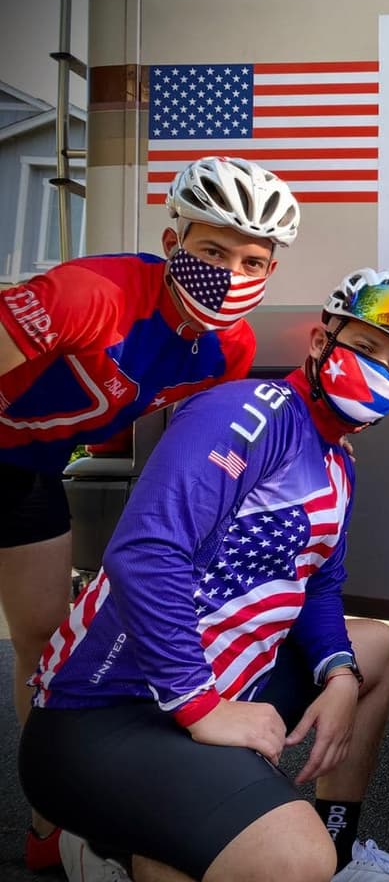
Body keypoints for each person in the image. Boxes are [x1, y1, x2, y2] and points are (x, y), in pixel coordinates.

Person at [18, 267, 389, 882]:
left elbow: (320, 584)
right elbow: (146, 553)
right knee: (291, 857)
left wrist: (340, 675)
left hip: (213, 689)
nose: (382, 370)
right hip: (106, 713)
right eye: (367, 348)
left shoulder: (337, 462)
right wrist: (201, 707)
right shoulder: (253, 413)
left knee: (374, 647)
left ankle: (341, 849)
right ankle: (107, 849)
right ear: (322, 339)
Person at [0, 155, 299, 870]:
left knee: (43, 639)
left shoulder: (233, 346)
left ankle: (49, 820)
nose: (229, 272)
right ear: (172, 245)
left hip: (31, 470)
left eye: (251, 259)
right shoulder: (92, 292)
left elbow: (195, 452)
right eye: (211, 250)